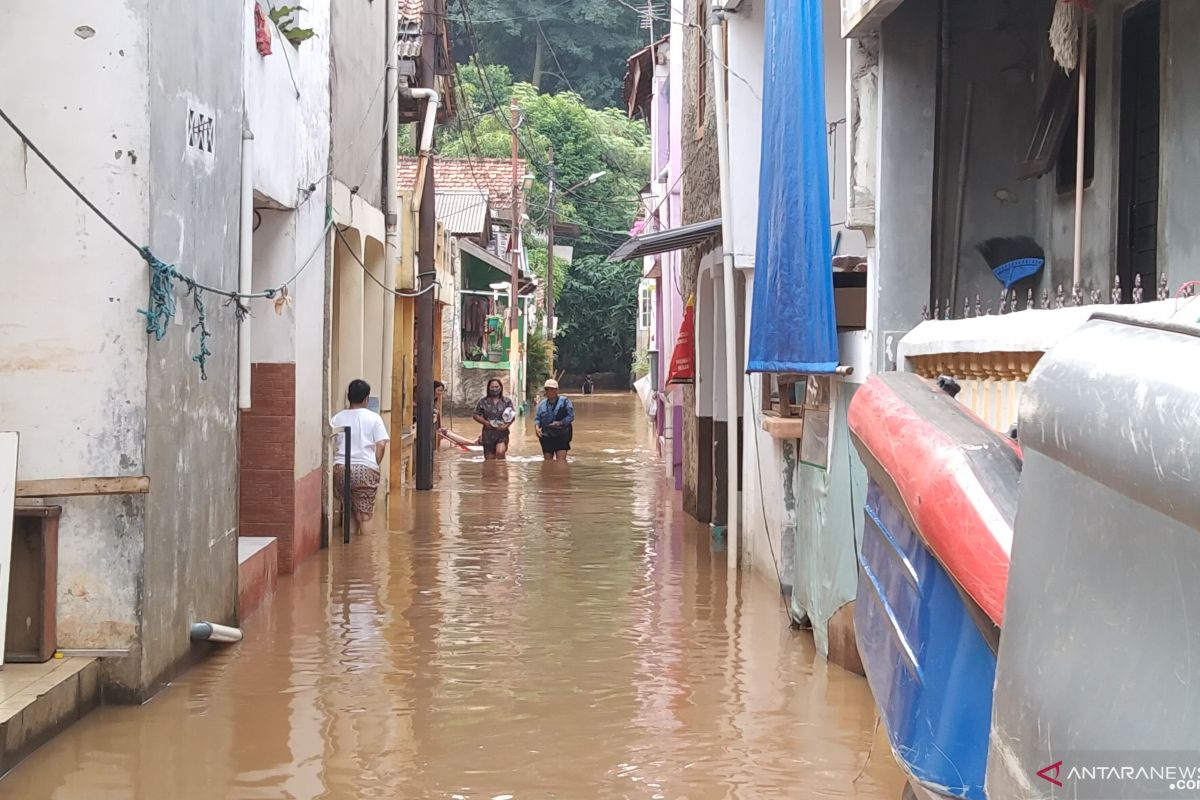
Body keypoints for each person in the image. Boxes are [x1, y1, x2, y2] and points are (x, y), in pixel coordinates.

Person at [331, 379, 389, 535]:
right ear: (366, 399)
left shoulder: (337, 418)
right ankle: (364, 555)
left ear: (348, 397)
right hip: (365, 469)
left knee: (348, 513)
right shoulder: (374, 418)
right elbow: (381, 444)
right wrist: (374, 464)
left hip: (341, 469)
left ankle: (349, 554)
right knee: (365, 516)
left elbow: (331, 444)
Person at [473, 378, 515, 460]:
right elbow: (475, 415)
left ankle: (502, 471)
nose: (495, 389)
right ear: (488, 388)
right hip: (488, 434)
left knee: (500, 452)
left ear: (501, 388)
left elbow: (512, 416)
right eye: (492, 387)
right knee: (489, 461)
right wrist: (485, 422)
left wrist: (506, 425)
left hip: (502, 433)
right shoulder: (483, 402)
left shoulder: (507, 401)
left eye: (496, 387)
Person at [535, 379, 575, 461]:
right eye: (547, 389)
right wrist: (536, 428)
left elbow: (571, 416)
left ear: (557, 390)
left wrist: (560, 423)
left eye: (552, 389)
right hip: (546, 435)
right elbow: (537, 418)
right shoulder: (542, 404)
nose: (549, 391)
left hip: (561, 435)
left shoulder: (565, 401)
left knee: (561, 462)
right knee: (547, 462)